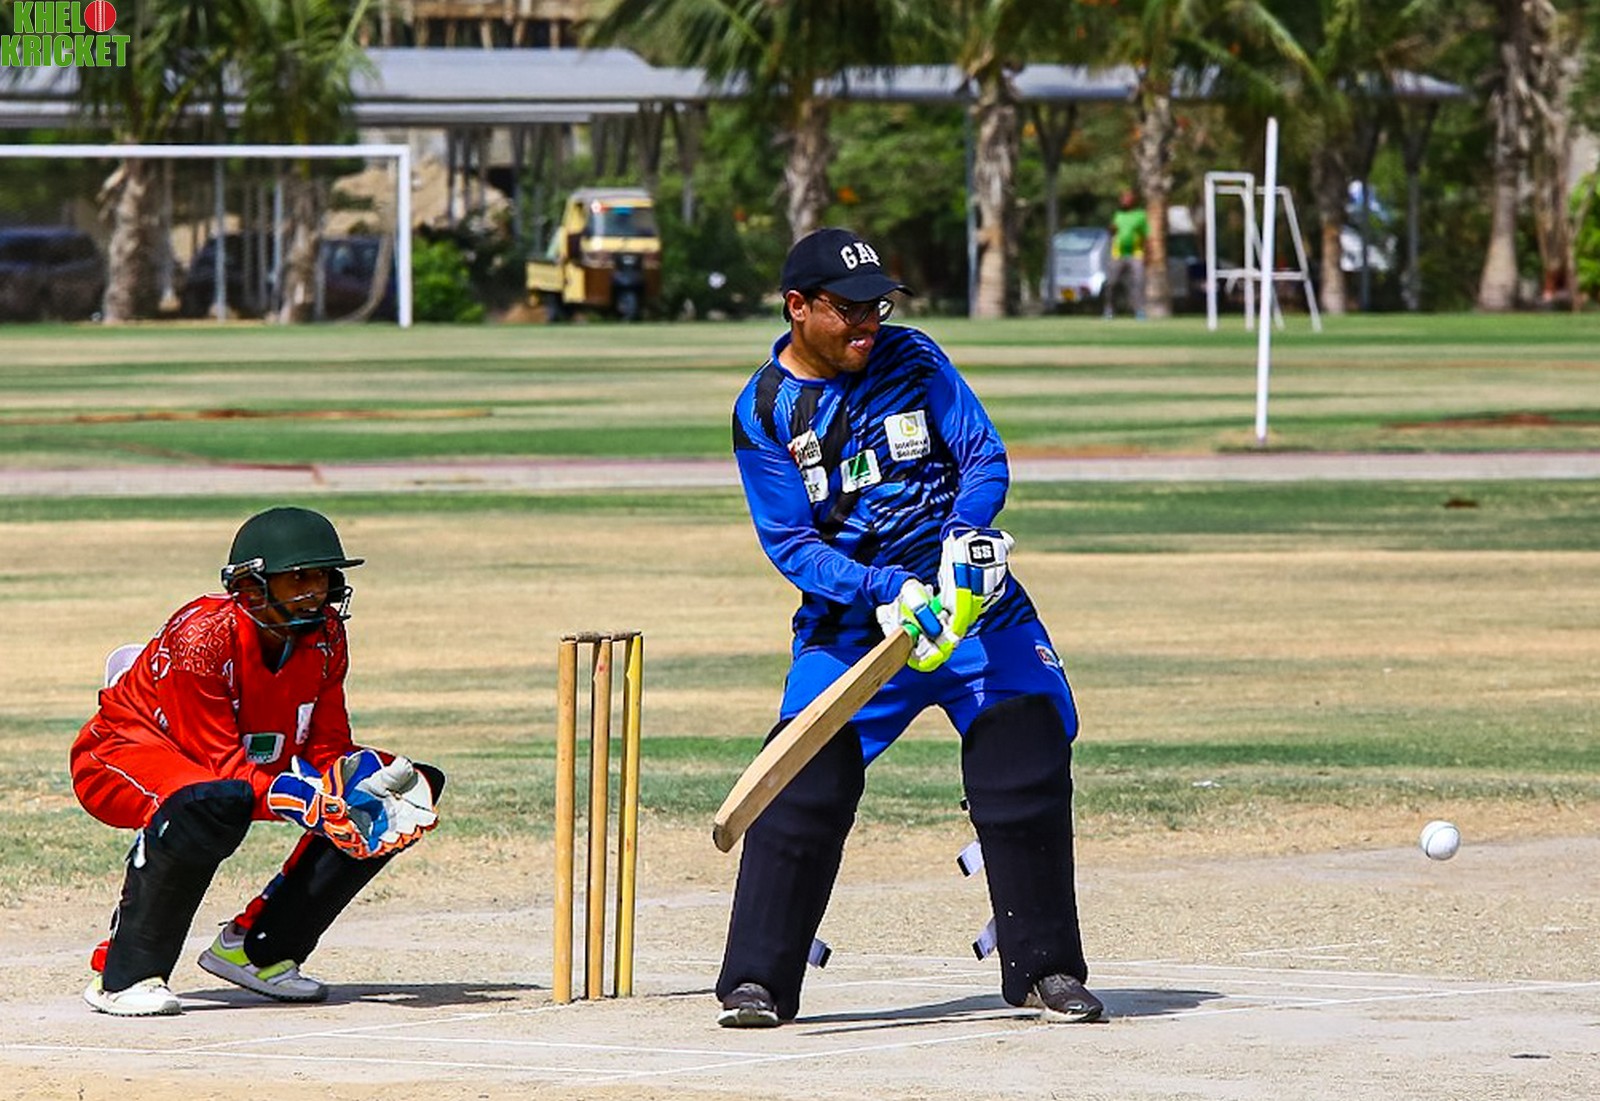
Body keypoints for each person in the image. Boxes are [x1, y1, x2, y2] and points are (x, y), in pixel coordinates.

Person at [717, 227, 1101, 1028]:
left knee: (1025, 748)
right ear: (798, 307)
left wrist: (963, 536)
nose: (869, 324)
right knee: (799, 775)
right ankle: (758, 982)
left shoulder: (915, 358)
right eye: (850, 310)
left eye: (878, 307)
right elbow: (790, 543)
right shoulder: (765, 409)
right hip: (854, 628)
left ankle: (1046, 968)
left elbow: (983, 455)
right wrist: (882, 588)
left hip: (972, 609)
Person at [71, 506, 443, 1017]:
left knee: (391, 791)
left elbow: (327, 744)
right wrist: (303, 799)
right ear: (251, 585)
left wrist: (348, 788)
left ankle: (258, 950)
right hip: (124, 753)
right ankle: (123, 974)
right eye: (300, 577)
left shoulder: (326, 633)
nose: (317, 590)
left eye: (323, 576)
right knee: (208, 804)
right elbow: (219, 765)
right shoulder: (202, 637)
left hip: (237, 766)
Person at [1104, 188, 1149, 319]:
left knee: (1138, 282)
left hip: (1136, 254)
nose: (1124, 201)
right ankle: (1109, 310)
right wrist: (1111, 229)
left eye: (1127, 198)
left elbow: (1146, 235)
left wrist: (1147, 254)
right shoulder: (1118, 215)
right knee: (1111, 283)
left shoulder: (1140, 215)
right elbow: (1111, 232)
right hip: (1117, 254)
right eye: (1123, 198)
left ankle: (1139, 311)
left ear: (1134, 200)